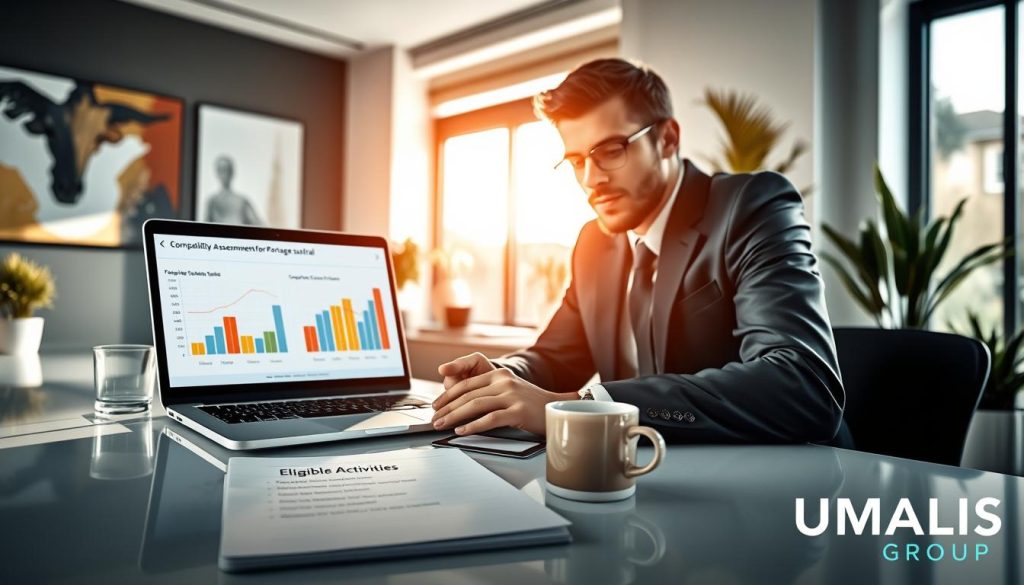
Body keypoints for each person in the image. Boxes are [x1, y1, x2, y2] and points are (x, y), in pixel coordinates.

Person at [431, 58, 845, 443]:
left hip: (796, 476)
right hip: (639, 472)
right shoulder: (593, 243)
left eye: (610, 151)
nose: (591, 179)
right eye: (576, 161)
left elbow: (803, 384)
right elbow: (555, 358)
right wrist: (497, 379)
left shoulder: (749, 208)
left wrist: (591, 406)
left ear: (667, 139)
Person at [205, 155, 262, 225]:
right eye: (221, 170)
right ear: (217, 173)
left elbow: (258, 223)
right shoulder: (212, 201)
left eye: (227, 170)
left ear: (232, 172)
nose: (225, 174)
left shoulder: (242, 201)